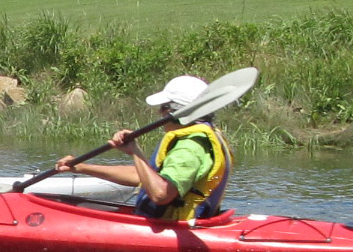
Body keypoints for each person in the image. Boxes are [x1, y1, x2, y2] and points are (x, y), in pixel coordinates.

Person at [54, 74, 232, 223]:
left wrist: (135, 152)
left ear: (178, 112)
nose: (159, 112)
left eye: (164, 107)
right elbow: (145, 177)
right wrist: (80, 167)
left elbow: (161, 194)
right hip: (171, 223)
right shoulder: (194, 139)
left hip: (174, 228)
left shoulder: (190, 147)